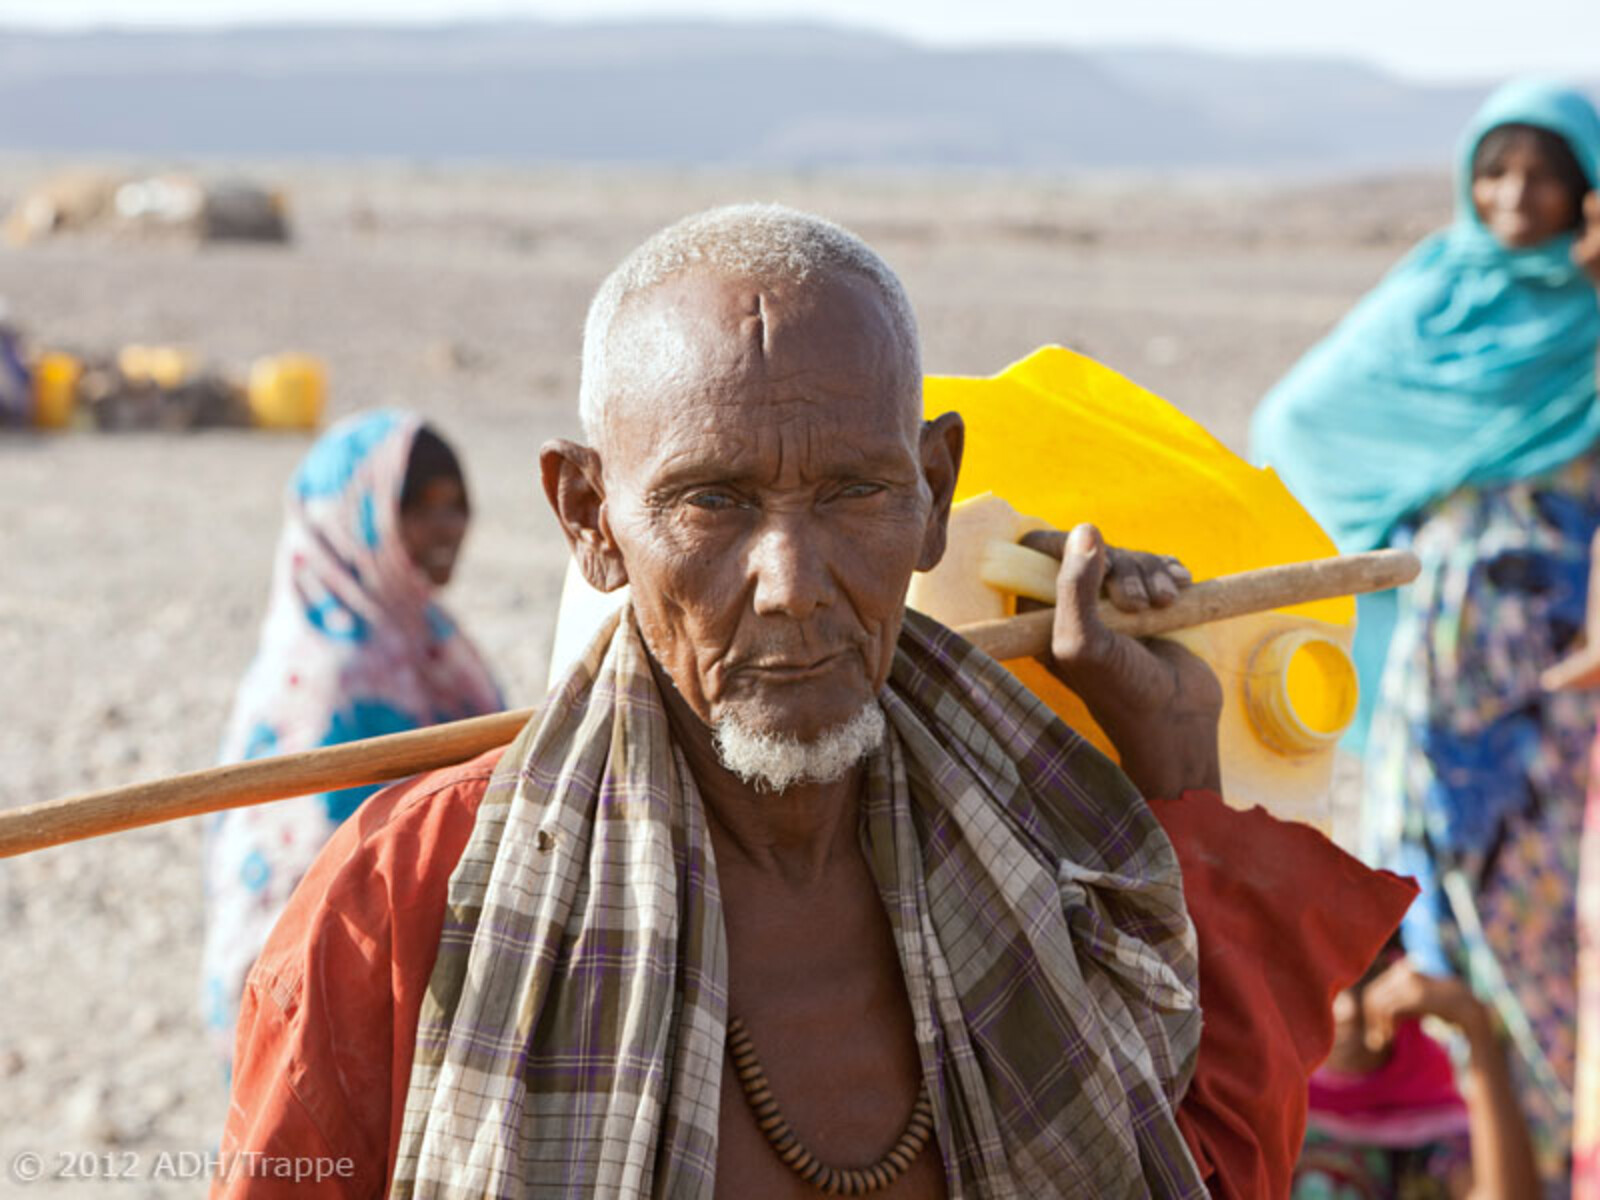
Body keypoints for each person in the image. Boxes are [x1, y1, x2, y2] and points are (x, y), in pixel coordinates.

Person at [215, 205, 1414, 1198]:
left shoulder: (1055, 849)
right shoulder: (410, 901)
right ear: (590, 517)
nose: (792, 586)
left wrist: (1173, 771)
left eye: (853, 493)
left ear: (934, 490)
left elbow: (1199, 1177)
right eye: (711, 502)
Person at [1251, 79, 1600, 1188]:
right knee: (1422, 869)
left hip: (1557, 670)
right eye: (1493, 170)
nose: (1513, 196)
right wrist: (1403, 503)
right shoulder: (1438, 295)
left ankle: (1537, 1150)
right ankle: (1455, 1134)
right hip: (1439, 655)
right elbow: (1303, 421)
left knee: (1542, 909)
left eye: (1544, 173)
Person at [200, 410, 502, 1069]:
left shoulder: (432, 643)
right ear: (353, 517)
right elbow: (333, 877)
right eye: (420, 507)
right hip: (317, 1003)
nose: (447, 526)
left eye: (457, 505)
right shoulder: (327, 676)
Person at [1292, 937, 1538, 1199]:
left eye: (1366, 978)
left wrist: (1476, 1027)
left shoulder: (1434, 1133)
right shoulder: (1276, 1106)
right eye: (1329, 983)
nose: (1347, 1010)